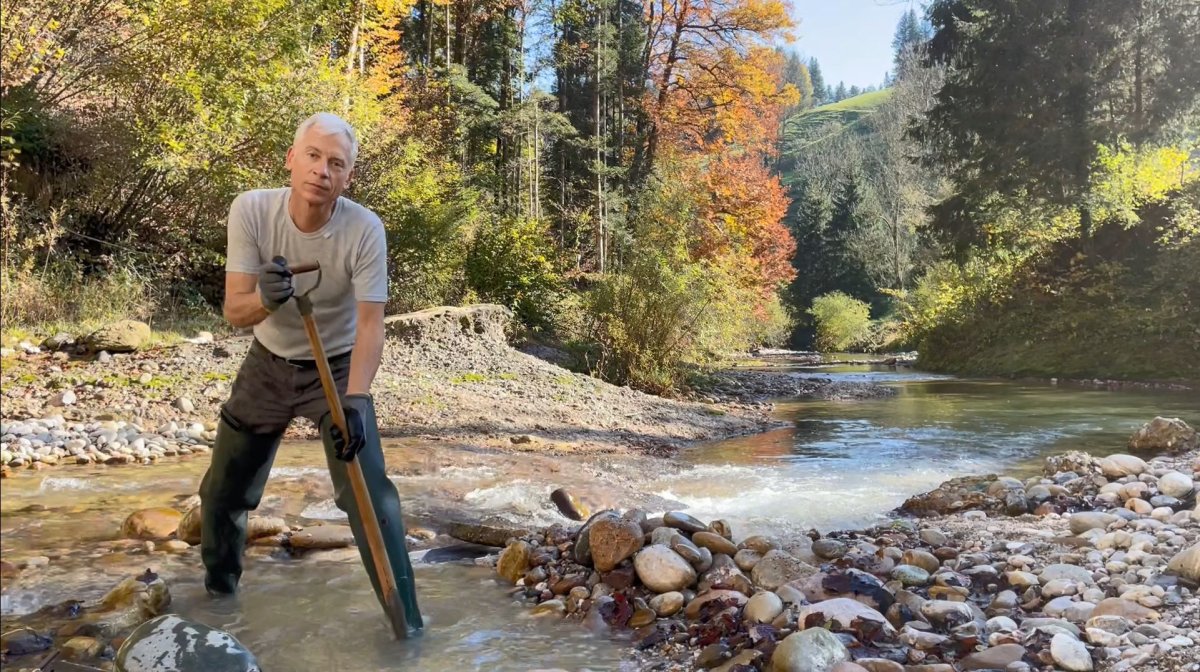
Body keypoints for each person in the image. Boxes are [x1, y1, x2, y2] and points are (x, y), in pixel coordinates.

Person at [198, 112, 422, 634]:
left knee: (369, 493)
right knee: (223, 492)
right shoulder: (251, 210)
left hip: (338, 368)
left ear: (348, 178)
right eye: (314, 156)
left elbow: (371, 325)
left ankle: (407, 627)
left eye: (337, 164)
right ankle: (219, 603)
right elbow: (235, 310)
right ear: (291, 160)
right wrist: (267, 299)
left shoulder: (364, 230)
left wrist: (357, 400)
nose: (323, 170)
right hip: (267, 363)